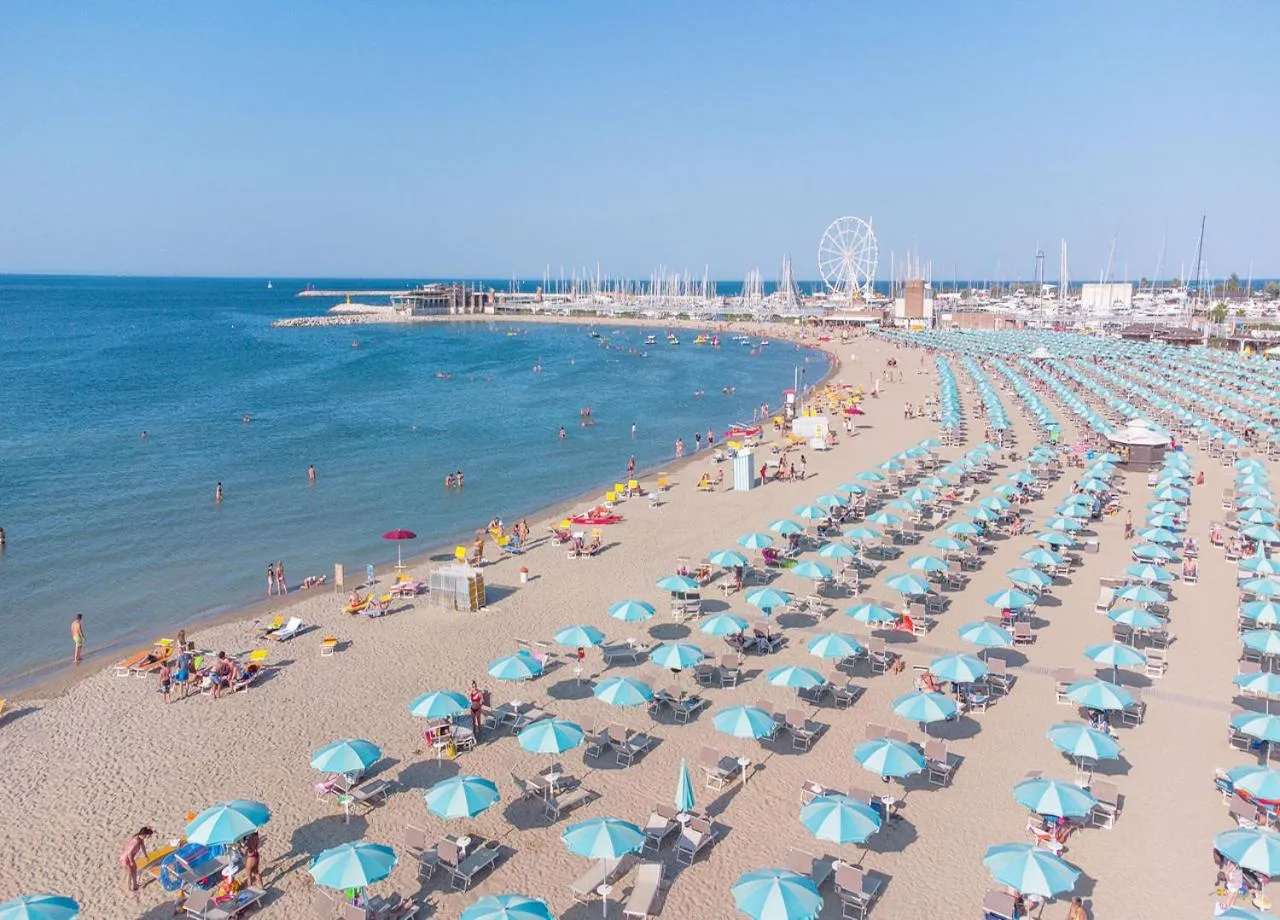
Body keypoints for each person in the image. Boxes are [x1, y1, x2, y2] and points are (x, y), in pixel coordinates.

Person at [120, 827, 154, 891]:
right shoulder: (136, 841)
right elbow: (129, 853)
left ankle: (135, 886)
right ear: (144, 834)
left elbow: (143, 846)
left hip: (130, 858)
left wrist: (145, 855)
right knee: (130, 873)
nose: (148, 837)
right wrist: (132, 862)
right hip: (126, 858)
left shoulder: (140, 838)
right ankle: (129, 888)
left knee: (134, 872)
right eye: (148, 836)